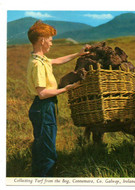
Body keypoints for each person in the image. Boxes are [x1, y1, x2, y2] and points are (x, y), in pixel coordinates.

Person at [27, 20, 89, 177]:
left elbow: (58, 60)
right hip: (44, 106)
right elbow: (42, 93)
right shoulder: (38, 64)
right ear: (42, 40)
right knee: (47, 151)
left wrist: (78, 54)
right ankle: (46, 180)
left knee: (41, 147)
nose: (51, 44)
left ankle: (38, 178)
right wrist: (66, 89)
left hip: (44, 107)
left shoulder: (40, 59)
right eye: (50, 40)